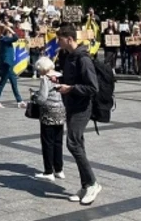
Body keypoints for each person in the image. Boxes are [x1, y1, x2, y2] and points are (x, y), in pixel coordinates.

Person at [55, 24, 101, 206]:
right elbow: (71, 80)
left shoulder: (83, 59)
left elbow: (92, 87)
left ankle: (93, 183)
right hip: (72, 105)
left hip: (82, 108)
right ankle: (85, 184)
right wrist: (58, 80)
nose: (57, 42)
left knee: (72, 143)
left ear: (69, 39)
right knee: (78, 144)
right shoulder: (69, 57)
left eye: (59, 38)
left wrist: (71, 88)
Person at [32, 57, 65, 183]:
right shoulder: (60, 75)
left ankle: (48, 171)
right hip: (61, 111)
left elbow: (42, 98)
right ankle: (59, 169)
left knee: (47, 142)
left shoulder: (46, 78)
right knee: (58, 141)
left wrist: (34, 96)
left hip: (48, 113)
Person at [0, 24, 26, 109]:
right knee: (2, 83)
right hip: (7, 64)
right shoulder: (4, 39)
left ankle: (19, 101)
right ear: (7, 33)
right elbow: (16, 38)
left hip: (9, 63)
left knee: (14, 83)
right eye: (10, 33)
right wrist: (10, 29)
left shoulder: (4, 39)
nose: (11, 34)